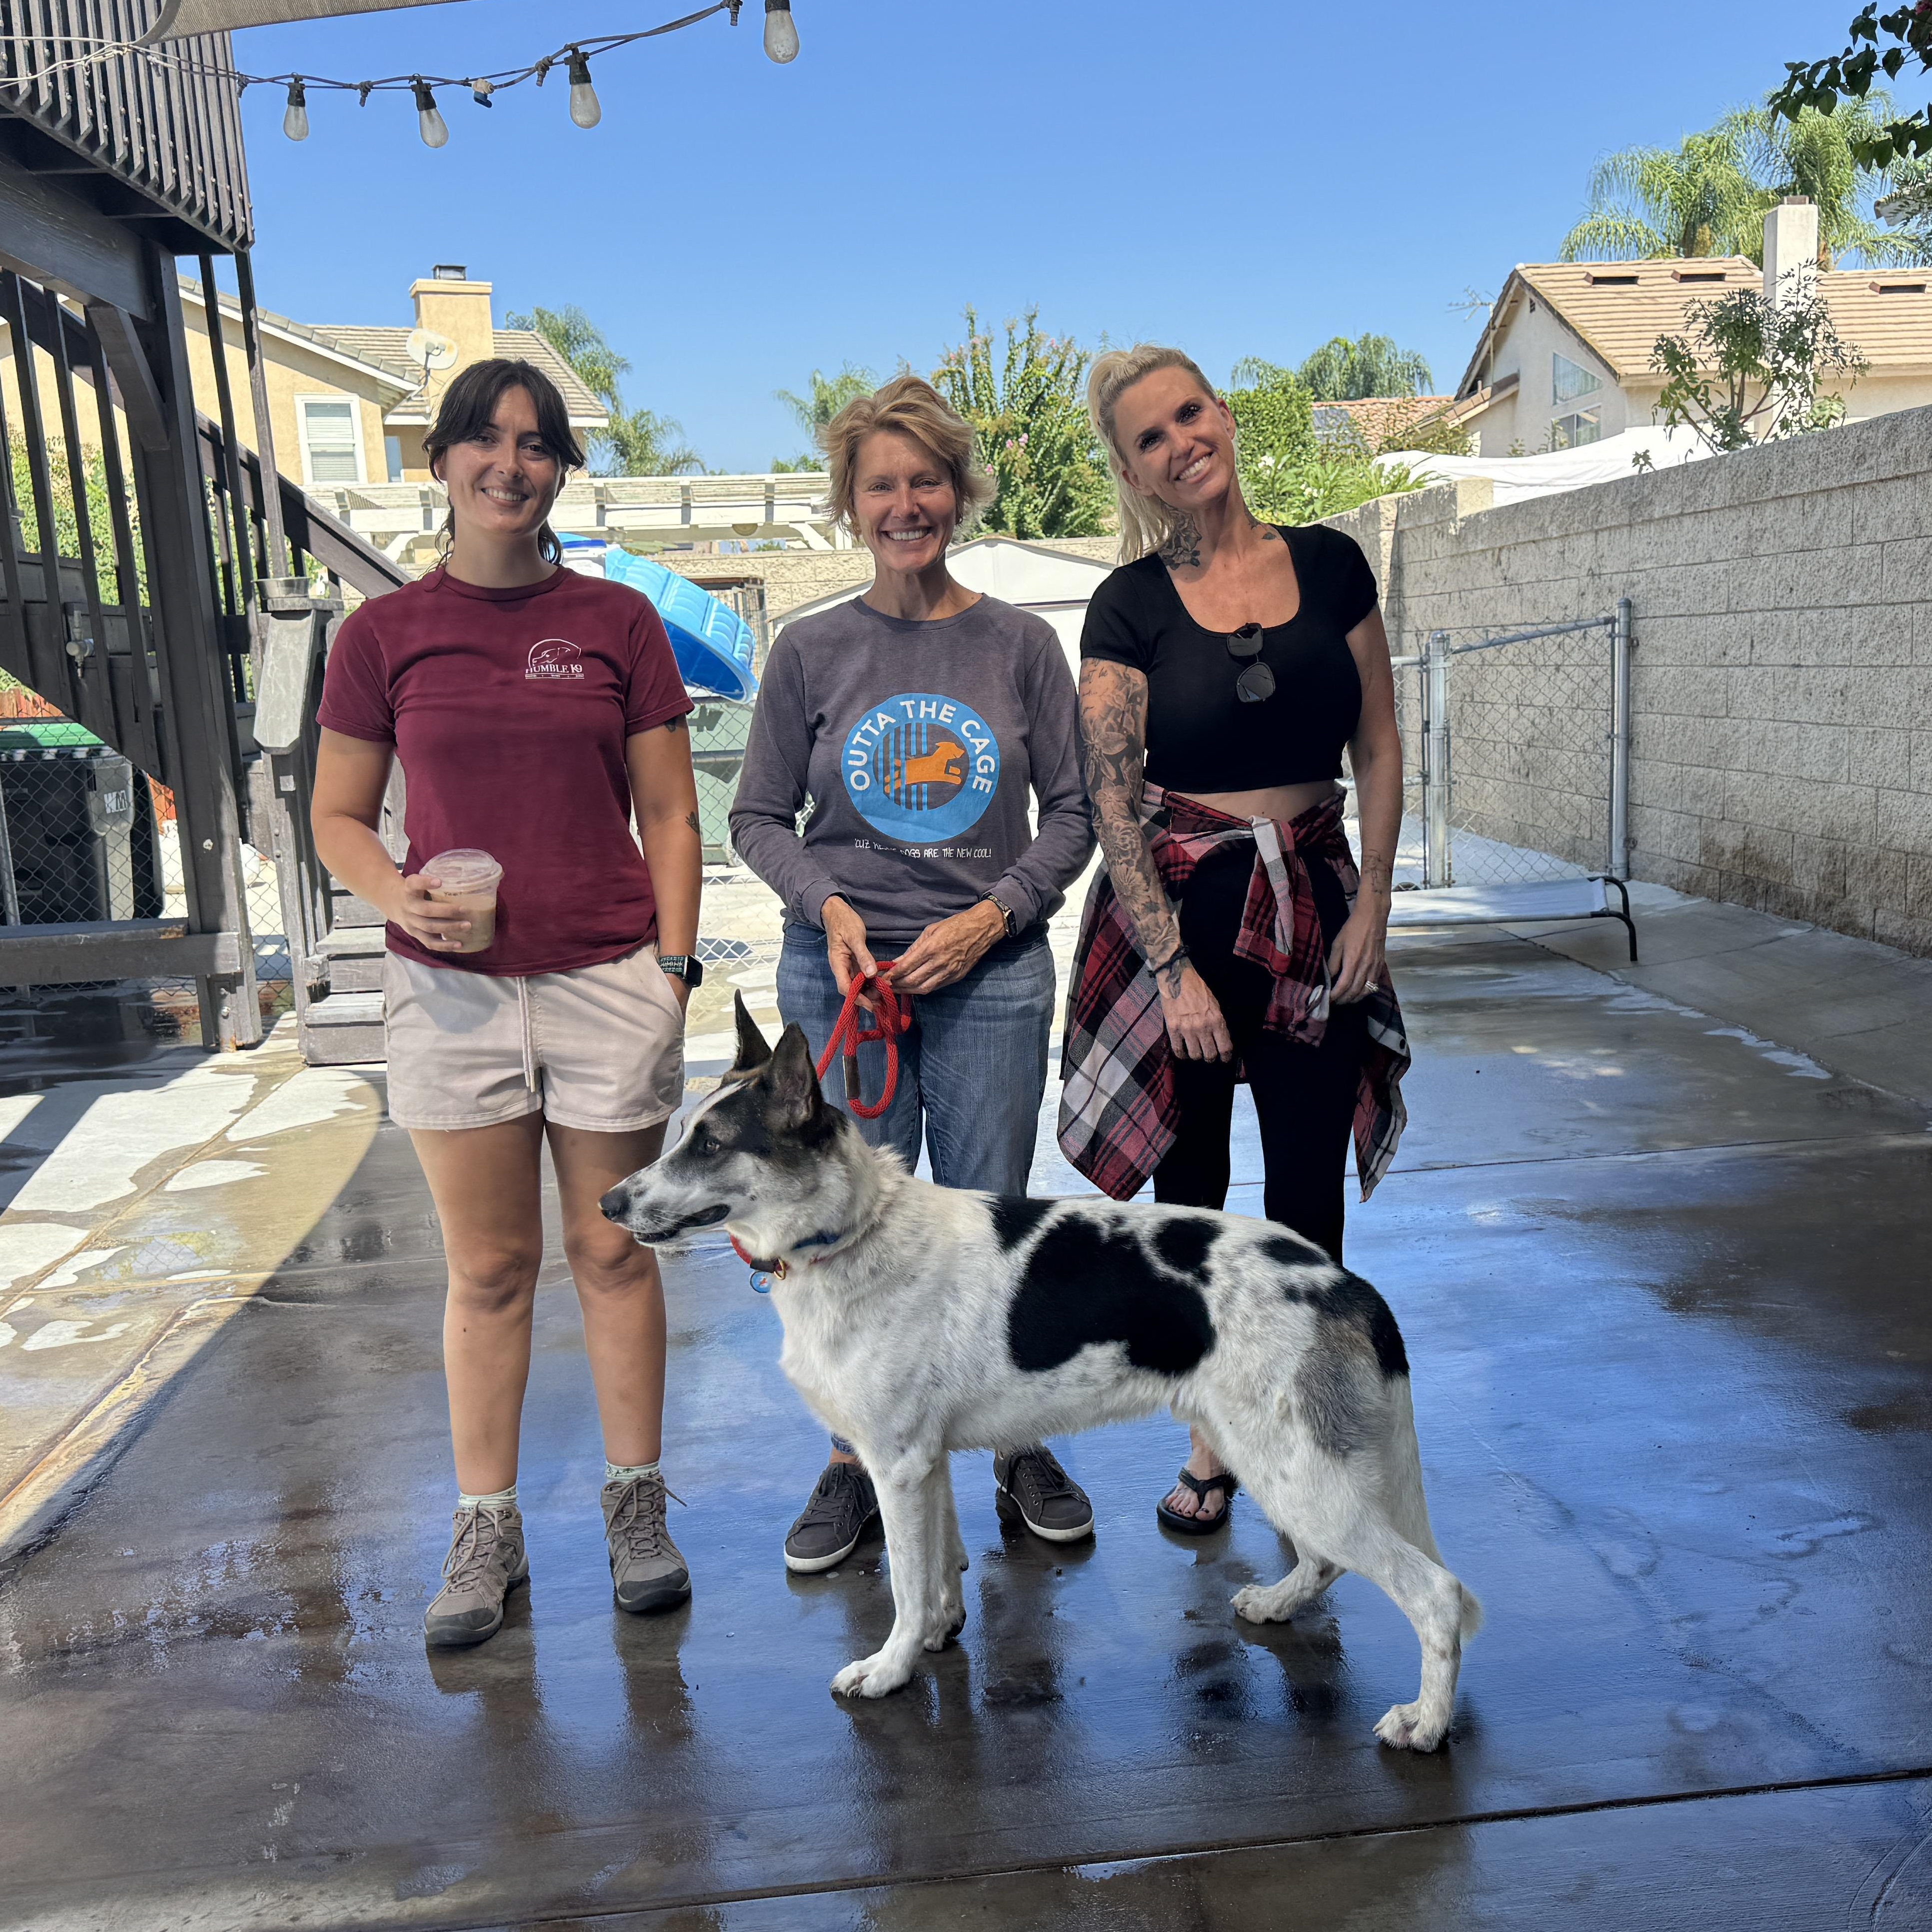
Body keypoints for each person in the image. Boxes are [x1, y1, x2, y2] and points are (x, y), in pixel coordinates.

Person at [312, 358, 704, 1648]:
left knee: (611, 1249)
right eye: (485, 440)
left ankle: (635, 1505)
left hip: (605, 977)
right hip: (453, 995)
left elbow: (670, 812)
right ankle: (487, 1525)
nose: (511, 464)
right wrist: (397, 890)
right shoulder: (382, 635)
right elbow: (337, 816)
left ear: (559, 473)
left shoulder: (616, 622)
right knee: (488, 1269)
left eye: (537, 446)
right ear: (442, 462)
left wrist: (676, 967)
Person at [730, 374, 1098, 1572]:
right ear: (851, 503)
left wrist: (995, 915)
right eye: (880, 484)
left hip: (990, 977)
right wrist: (829, 906)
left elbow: (1077, 813)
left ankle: (1014, 1438)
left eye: (926, 479)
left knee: (985, 1222)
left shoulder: (1020, 643)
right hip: (844, 986)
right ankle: (851, 1455)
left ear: (959, 492)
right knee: (839, 1231)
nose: (905, 503)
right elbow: (756, 816)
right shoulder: (809, 650)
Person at [1060, 344, 1412, 1535]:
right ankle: (1214, 1439)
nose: (1179, 444)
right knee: (1196, 1194)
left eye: (1189, 414)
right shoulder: (1128, 604)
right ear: (1131, 468)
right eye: (1149, 438)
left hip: (1317, 905)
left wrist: (1373, 905)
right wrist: (1167, 968)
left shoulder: (1330, 563)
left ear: (1223, 415)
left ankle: (1314, 1437)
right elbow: (1113, 801)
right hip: (1186, 918)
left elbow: (1378, 745)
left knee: (1309, 1189)